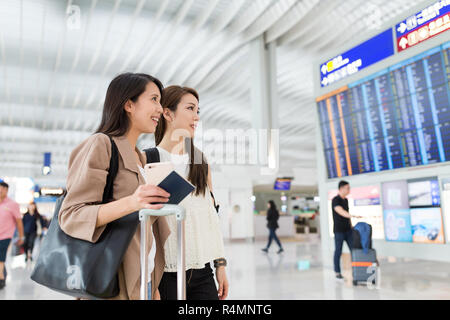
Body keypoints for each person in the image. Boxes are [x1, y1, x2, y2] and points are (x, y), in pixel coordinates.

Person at [58, 73, 171, 300]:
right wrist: (133, 202)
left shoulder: (141, 158)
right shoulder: (101, 144)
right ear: (129, 104)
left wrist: (153, 285)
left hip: (143, 281)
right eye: (154, 99)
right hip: (111, 283)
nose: (160, 108)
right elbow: (72, 215)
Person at [154, 85, 229, 300]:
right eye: (190, 108)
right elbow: (145, 228)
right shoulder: (150, 159)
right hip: (165, 274)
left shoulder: (200, 161)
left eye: (198, 111)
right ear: (167, 113)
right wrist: (150, 282)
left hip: (203, 270)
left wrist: (220, 264)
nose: (196, 116)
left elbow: (210, 217)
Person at [331, 180, 361, 281]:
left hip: (348, 230)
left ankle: (357, 270)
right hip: (339, 231)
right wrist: (352, 215)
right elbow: (340, 211)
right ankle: (337, 272)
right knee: (338, 251)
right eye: (347, 188)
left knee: (354, 250)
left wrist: (351, 225)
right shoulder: (335, 200)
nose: (349, 190)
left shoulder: (346, 200)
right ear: (341, 188)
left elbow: (346, 214)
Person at [0, 181, 25, 289]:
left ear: (6, 190)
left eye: (1, 189)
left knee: (1, 256)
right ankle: (3, 276)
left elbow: (19, 222)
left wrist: (21, 236)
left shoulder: (13, 204)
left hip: (6, 235)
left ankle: (1, 278)